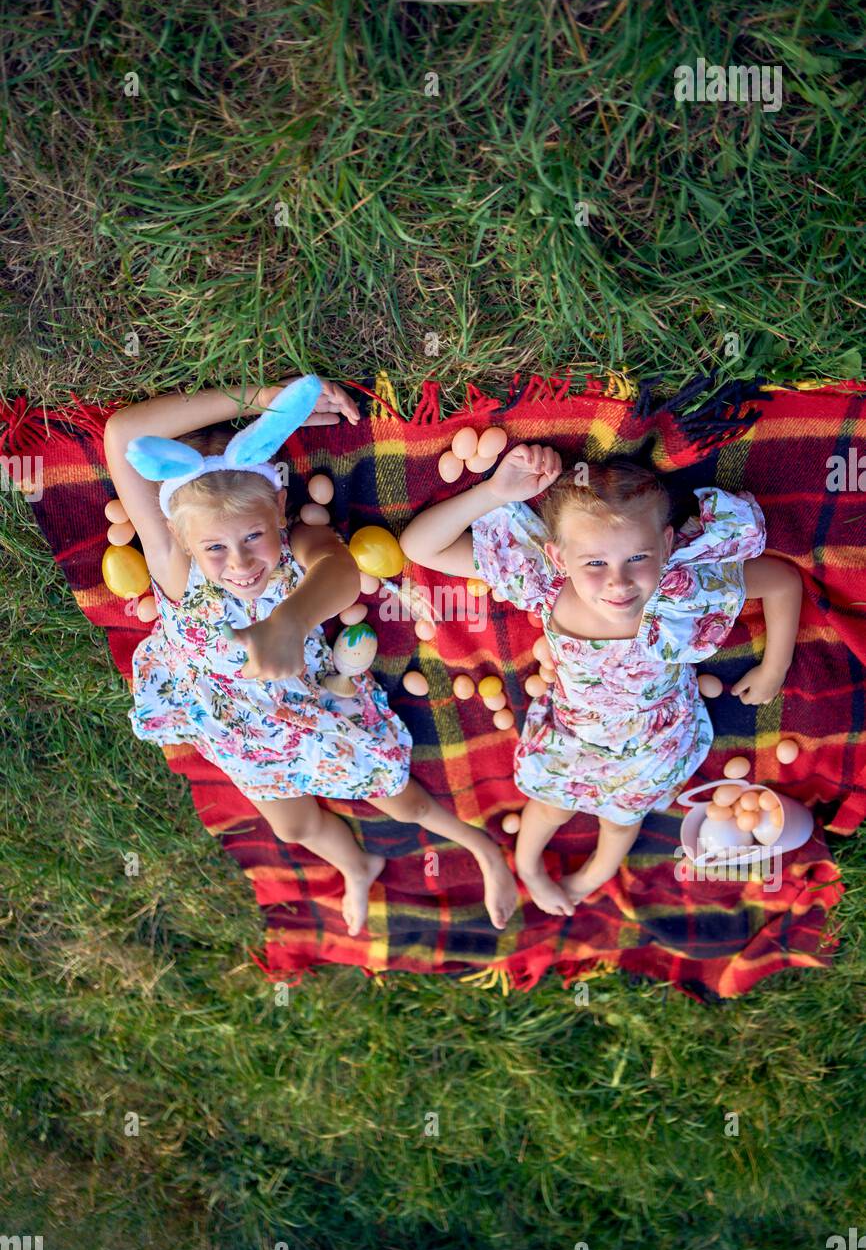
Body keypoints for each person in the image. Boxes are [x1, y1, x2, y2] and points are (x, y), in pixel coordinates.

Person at [103, 377, 518, 936]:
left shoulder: (298, 546)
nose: (240, 563)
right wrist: (266, 399)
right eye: (216, 548)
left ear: (278, 506)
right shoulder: (174, 563)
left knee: (403, 801)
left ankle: (482, 848)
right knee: (295, 827)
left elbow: (342, 573)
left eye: (252, 535)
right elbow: (122, 433)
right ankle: (356, 865)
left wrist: (289, 621)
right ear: (180, 537)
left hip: (316, 713)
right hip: (235, 733)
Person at [400, 445, 802, 915]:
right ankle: (527, 867)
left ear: (668, 545)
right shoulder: (540, 581)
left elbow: (781, 581)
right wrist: (492, 493)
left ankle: (588, 879)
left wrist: (774, 668)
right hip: (574, 733)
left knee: (619, 823)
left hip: (655, 740)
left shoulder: (680, 593)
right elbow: (419, 547)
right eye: (594, 563)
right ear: (558, 556)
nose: (619, 582)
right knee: (550, 806)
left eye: (638, 557)